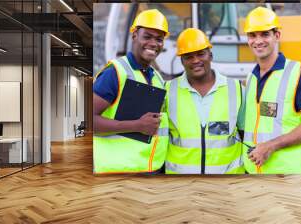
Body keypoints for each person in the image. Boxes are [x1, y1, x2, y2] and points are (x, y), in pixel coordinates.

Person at [93, 9, 169, 174]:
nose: (153, 43)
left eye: (159, 39)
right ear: (134, 35)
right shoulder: (115, 73)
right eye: (147, 36)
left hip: (150, 170)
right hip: (117, 173)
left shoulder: (157, 77)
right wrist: (136, 125)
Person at [165, 28, 245, 174]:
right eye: (188, 56)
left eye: (201, 54)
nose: (196, 60)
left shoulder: (236, 89)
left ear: (211, 55)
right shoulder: (167, 91)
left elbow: (247, 134)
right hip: (180, 185)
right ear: (182, 61)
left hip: (227, 184)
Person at [242, 7, 301, 174]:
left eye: (265, 34)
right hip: (252, 172)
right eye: (252, 35)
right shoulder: (251, 78)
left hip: (287, 174)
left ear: (277, 35)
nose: (258, 41)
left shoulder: (298, 73)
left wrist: (271, 146)